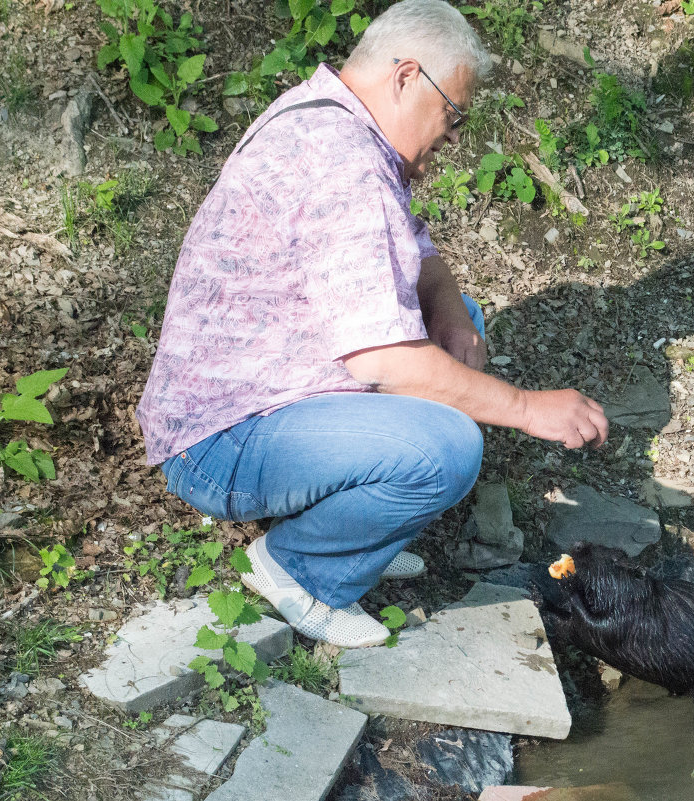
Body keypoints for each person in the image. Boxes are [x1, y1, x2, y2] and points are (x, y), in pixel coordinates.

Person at [136, 0, 608, 649]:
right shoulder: (343, 160)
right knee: (446, 446)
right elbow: (384, 360)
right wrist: (529, 409)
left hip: (258, 394)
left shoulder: (334, 122)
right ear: (407, 76)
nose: (453, 133)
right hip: (222, 439)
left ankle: (349, 533)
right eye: (454, 112)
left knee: (457, 326)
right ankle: (302, 568)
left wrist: (446, 310)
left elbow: (411, 242)